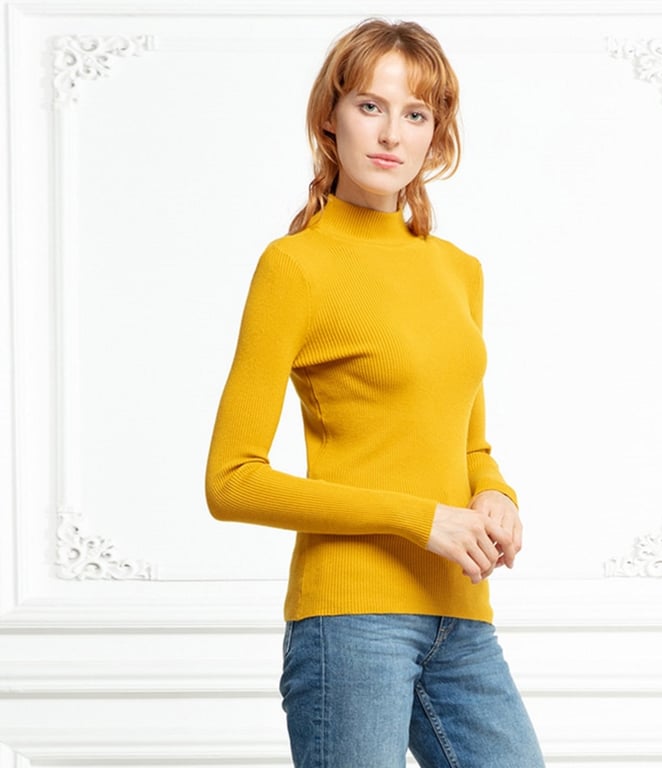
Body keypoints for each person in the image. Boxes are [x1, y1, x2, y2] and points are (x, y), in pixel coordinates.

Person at [205, 17, 545, 768]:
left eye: (415, 114)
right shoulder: (295, 266)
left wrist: (496, 494)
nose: (392, 133)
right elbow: (230, 482)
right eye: (370, 106)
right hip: (351, 620)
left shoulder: (458, 271)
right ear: (330, 117)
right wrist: (418, 520)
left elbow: (469, 444)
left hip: (461, 613)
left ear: (436, 134)